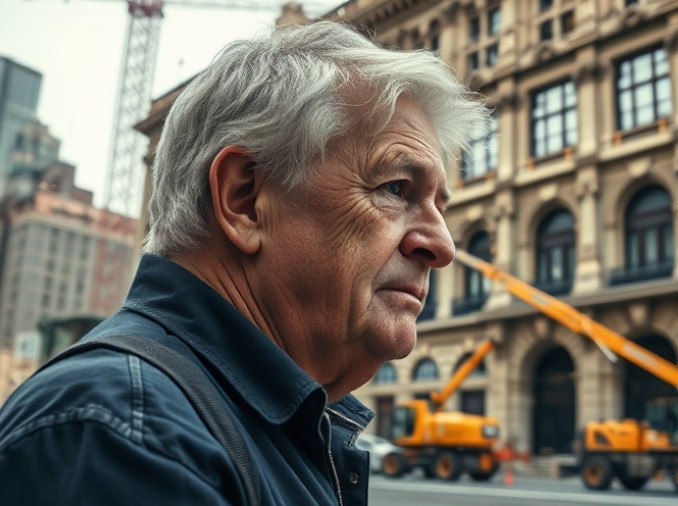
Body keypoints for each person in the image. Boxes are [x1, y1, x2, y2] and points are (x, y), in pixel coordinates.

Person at [0, 21, 487, 505]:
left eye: (438, 207)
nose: (443, 245)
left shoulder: (245, 424)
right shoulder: (126, 434)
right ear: (245, 199)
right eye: (396, 189)